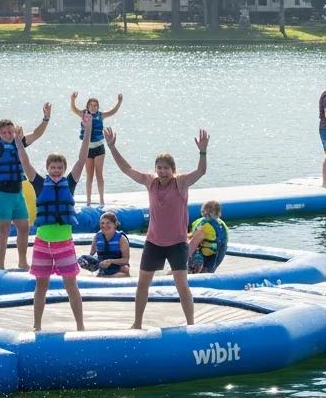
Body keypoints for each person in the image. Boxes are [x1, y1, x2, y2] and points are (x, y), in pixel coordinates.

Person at [103, 126, 210, 329]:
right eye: (159, 168)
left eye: (166, 168)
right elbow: (127, 169)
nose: (162, 172)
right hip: (154, 242)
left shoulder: (181, 182)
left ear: (173, 169)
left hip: (177, 243)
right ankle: (137, 323)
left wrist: (202, 152)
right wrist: (112, 146)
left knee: (181, 285)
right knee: (143, 283)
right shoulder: (150, 181)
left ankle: (192, 325)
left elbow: (202, 171)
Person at [12, 118, 91, 331]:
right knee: (41, 286)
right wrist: (19, 142)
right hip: (42, 243)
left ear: (64, 169)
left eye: (59, 167)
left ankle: (80, 326)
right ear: (47, 168)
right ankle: (36, 326)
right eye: (53, 167)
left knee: (71, 286)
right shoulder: (39, 183)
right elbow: (25, 163)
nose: (56, 170)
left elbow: (82, 159)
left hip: (64, 243)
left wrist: (88, 129)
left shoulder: (70, 182)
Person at [0, 102, 52, 271]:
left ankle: (22, 261)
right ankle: (0, 266)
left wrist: (46, 118)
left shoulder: (20, 143)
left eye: (10, 131)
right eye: (4, 132)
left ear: (15, 132)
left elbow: (37, 134)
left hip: (17, 193)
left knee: (24, 228)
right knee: (3, 231)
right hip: (0, 194)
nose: (8, 134)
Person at [69, 91, 124, 206]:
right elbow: (74, 109)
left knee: (99, 174)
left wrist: (118, 102)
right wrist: (73, 99)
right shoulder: (84, 114)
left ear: (97, 107)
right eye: (91, 105)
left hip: (99, 148)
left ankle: (102, 200)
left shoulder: (101, 115)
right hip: (87, 150)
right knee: (89, 175)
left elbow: (112, 111)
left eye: (95, 105)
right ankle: (88, 201)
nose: (93, 107)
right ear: (87, 106)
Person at [80, 211, 131, 278]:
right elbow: (91, 255)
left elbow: (125, 260)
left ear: (115, 224)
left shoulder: (122, 239)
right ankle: (104, 274)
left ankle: (106, 276)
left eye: (108, 223)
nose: (104, 226)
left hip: (117, 264)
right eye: (102, 223)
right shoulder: (97, 237)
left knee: (125, 269)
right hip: (102, 264)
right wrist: (90, 264)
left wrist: (110, 261)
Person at [188, 199, 229, 273]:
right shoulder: (222, 224)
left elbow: (193, 244)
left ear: (203, 212)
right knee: (207, 273)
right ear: (219, 213)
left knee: (188, 270)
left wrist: (181, 261)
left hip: (203, 256)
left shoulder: (205, 225)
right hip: (217, 256)